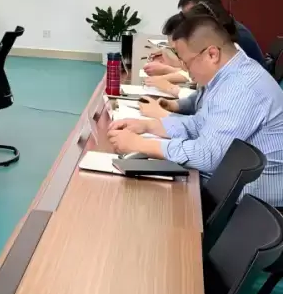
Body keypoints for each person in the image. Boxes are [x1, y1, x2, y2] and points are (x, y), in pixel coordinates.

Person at [108, 12, 283, 205]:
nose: (185, 70)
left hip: (250, 202)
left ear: (212, 54)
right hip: (227, 183)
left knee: (137, 199)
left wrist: (141, 145)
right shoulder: (228, 75)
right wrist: (149, 126)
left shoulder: (241, 87)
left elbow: (207, 155)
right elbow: (200, 124)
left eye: (186, 62)